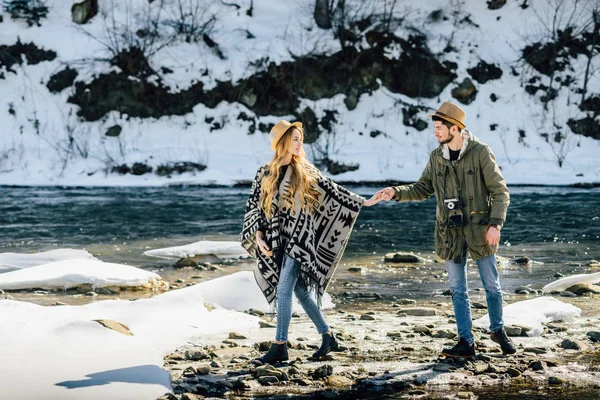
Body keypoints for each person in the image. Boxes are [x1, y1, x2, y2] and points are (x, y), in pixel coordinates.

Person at [375, 101, 516, 358]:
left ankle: (497, 329)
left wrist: (495, 224)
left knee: (492, 287)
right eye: (435, 127)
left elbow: (500, 192)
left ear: (455, 128)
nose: (435, 132)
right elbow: (422, 188)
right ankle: (466, 341)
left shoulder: (481, 152)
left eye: (439, 127)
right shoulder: (436, 157)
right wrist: (395, 192)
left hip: (480, 231)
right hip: (449, 234)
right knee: (457, 289)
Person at [241, 120, 380, 364]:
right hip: (275, 240)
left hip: (299, 241)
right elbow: (254, 206)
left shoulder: (305, 171)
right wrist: (259, 236)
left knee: (284, 291)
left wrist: (365, 202)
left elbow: (334, 192)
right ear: (283, 142)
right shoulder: (264, 172)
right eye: (295, 138)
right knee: (300, 291)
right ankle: (328, 336)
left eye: (300, 138)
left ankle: (280, 346)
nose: (300, 142)